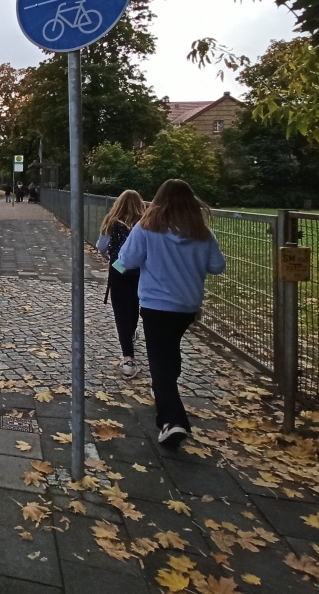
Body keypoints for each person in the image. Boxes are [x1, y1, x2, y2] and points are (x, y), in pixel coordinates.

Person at [117, 179, 225, 449]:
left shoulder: (147, 227)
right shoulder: (201, 233)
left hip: (156, 304)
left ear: (158, 200)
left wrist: (117, 268)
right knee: (170, 352)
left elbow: (127, 260)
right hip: (186, 306)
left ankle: (172, 421)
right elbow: (217, 266)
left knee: (159, 360)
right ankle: (166, 397)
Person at [96, 190, 146, 379]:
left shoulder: (112, 222)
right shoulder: (144, 223)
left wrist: (111, 257)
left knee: (121, 311)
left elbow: (101, 247)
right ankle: (131, 332)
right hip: (141, 271)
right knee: (135, 305)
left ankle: (128, 358)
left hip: (118, 269)